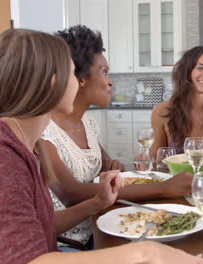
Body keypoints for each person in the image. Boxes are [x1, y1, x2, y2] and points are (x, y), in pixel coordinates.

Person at [0, 28, 203, 263]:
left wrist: (97, 203)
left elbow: (41, 225)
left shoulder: (24, 142)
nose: (77, 83)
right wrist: (148, 252)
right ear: (52, 83)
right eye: (71, 72)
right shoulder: (0, 153)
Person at [40, 25, 194, 248]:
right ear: (79, 78)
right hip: (67, 245)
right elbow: (71, 193)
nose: (110, 81)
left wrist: (112, 166)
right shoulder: (45, 132)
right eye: (103, 72)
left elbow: (105, 163)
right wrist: (164, 187)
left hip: (100, 226)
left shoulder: (88, 123)